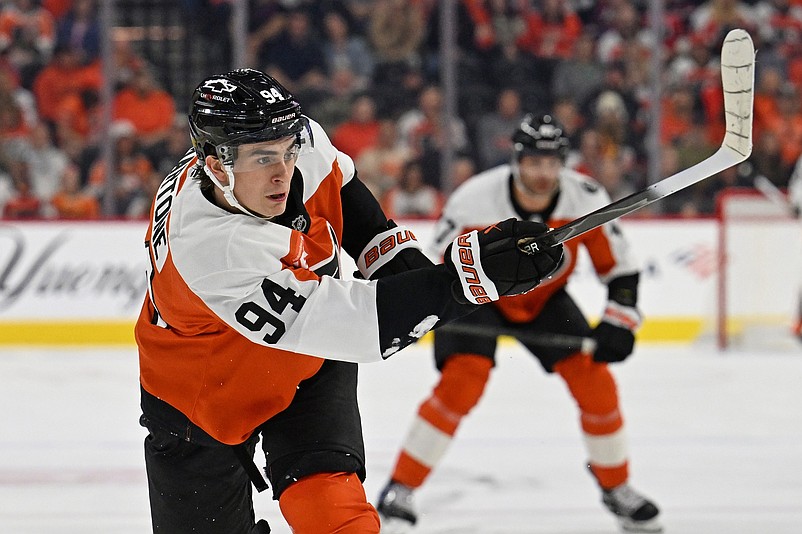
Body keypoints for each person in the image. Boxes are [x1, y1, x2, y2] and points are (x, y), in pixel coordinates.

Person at [134, 68, 563, 534]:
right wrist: (469, 280)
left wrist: (390, 253)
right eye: (262, 160)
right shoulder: (212, 247)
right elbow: (358, 325)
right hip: (200, 397)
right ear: (216, 166)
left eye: (287, 151)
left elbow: (344, 187)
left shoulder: (293, 142)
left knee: (338, 520)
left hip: (304, 363)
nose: (283, 172)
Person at [376, 114, 663, 534]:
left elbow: (621, 269)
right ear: (516, 160)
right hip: (477, 298)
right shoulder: (475, 199)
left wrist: (619, 322)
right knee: (462, 381)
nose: (543, 173)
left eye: (552, 162)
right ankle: (401, 487)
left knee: (595, 382)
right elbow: (441, 266)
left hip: (545, 299)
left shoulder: (584, 199)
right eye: (534, 162)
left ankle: (617, 488)